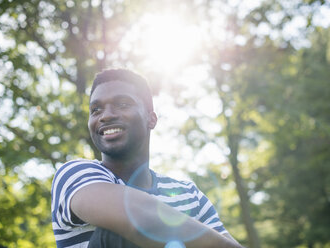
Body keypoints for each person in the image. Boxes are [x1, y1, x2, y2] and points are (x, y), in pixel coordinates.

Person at [51, 68, 244, 248]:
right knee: (117, 232)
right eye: (96, 110)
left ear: (151, 119)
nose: (106, 116)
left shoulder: (189, 194)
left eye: (122, 104)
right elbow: (140, 220)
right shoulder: (74, 175)